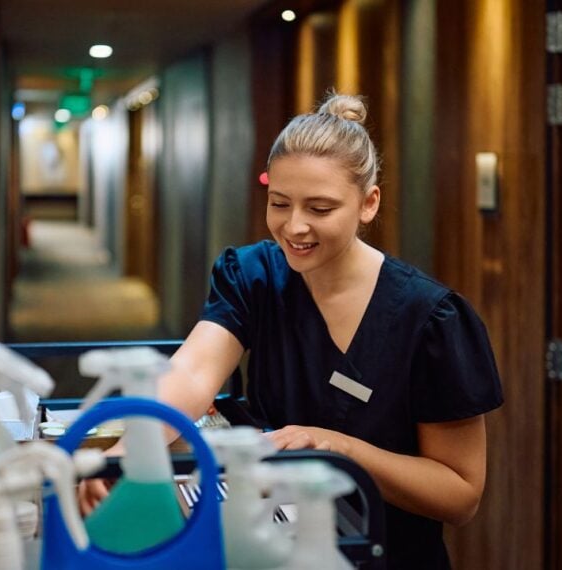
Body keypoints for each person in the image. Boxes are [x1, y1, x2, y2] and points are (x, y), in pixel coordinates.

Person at [80, 93, 503, 569]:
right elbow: (194, 373)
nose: (294, 227)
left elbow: (460, 493)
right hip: (271, 547)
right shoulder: (254, 275)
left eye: (320, 209)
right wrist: (125, 452)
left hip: (383, 554)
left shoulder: (429, 319)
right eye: (280, 203)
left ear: (368, 203)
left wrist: (338, 447)